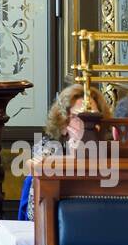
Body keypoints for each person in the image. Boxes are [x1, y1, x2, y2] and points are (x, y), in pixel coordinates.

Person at [17, 82, 111, 220]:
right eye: (77, 118)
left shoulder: (111, 150)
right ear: (63, 124)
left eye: (93, 117)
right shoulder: (47, 152)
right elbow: (34, 215)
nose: (86, 124)